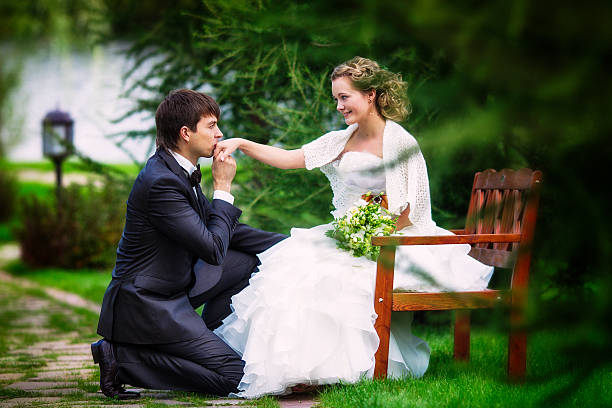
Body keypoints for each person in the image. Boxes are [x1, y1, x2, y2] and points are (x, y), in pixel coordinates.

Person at [212, 57, 495, 398]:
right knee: (295, 270)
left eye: (345, 97)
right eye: (336, 99)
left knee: (340, 279)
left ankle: (345, 370)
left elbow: (413, 210)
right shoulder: (340, 141)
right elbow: (290, 158)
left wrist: (373, 234)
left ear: (371, 94)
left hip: (395, 241)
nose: (338, 106)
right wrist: (241, 143)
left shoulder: (402, 144)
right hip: (350, 235)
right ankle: (300, 371)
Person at [92, 89, 286, 399]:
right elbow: (212, 248)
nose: (220, 133)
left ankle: (211, 340)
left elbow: (225, 232)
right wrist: (223, 187)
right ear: (186, 133)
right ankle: (123, 359)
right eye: (211, 126)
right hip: (148, 303)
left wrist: (291, 244)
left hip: (175, 287)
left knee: (248, 261)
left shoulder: (178, 169)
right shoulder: (161, 182)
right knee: (236, 378)